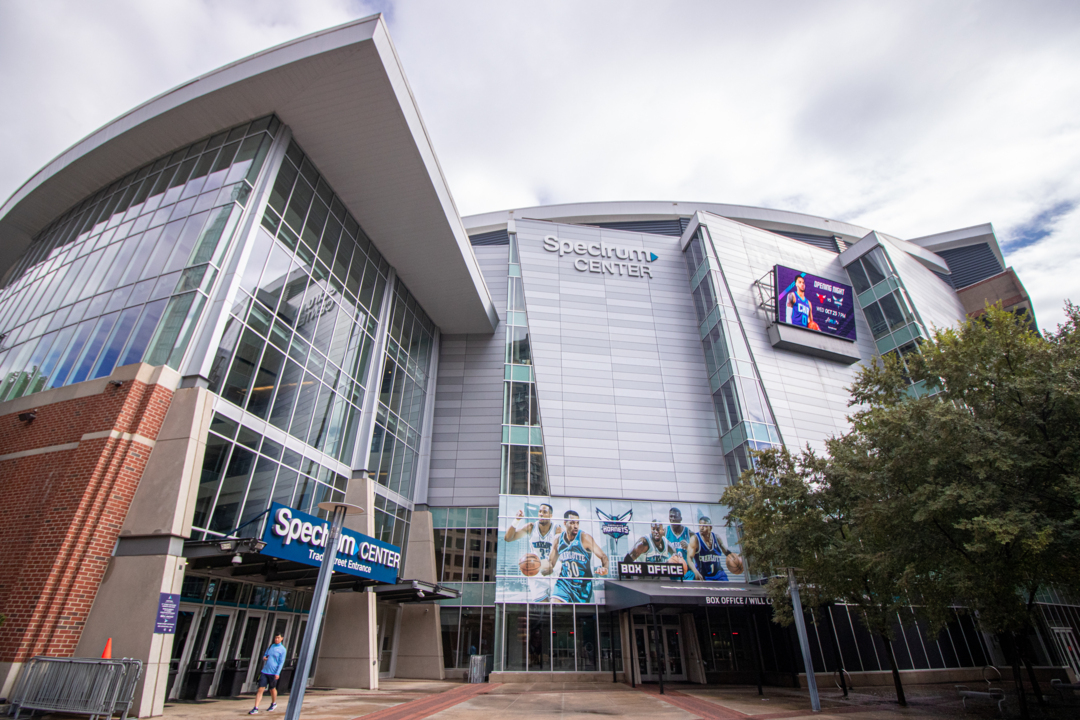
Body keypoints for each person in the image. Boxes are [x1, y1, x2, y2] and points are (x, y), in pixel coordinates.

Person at [541, 510, 608, 603]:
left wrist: (605, 568)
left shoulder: (585, 538)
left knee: (579, 615)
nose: (575, 526)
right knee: (554, 606)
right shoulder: (558, 539)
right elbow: (551, 563)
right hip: (563, 585)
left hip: (582, 587)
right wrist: (541, 568)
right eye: (572, 523)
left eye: (577, 523)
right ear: (565, 523)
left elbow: (603, 556)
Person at [505, 503, 561, 601]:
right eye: (539, 511)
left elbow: (561, 550)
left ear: (550, 515)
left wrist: (552, 566)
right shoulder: (531, 527)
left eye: (544, 512)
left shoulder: (557, 529)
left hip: (554, 572)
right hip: (536, 572)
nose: (541, 514)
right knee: (543, 608)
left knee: (557, 607)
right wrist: (516, 520)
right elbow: (508, 538)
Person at [249, 633, 286, 714]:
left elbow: (281, 662)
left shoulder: (282, 649)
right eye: (275, 637)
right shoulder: (271, 646)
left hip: (273, 673)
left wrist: (277, 673)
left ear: (282, 638)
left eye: (278, 638)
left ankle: (273, 703)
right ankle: (256, 707)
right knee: (260, 689)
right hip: (265, 671)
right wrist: (264, 658)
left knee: (272, 688)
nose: (276, 639)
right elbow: (265, 655)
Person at [687, 516, 733, 581]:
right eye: (700, 526)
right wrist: (695, 571)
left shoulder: (717, 538)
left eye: (704, 526)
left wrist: (735, 558)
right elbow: (689, 558)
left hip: (719, 575)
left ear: (710, 527)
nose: (701, 528)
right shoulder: (695, 539)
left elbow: (726, 552)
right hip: (704, 575)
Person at [665, 507, 695, 581]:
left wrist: (689, 547)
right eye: (671, 517)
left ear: (680, 518)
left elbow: (698, 551)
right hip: (672, 571)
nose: (673, 519)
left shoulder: (689, 533)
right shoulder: (665, 532)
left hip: (687, 572)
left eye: (675, 517)